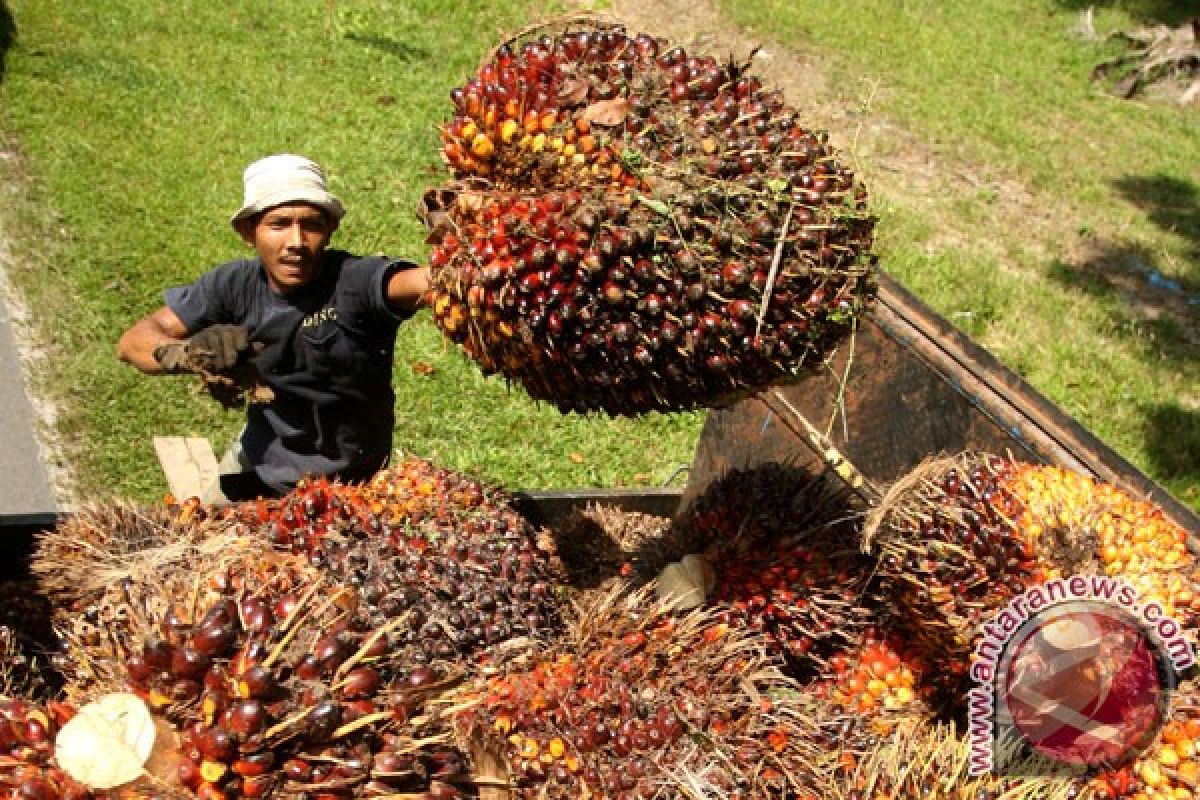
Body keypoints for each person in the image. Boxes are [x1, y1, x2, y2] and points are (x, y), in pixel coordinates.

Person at [118, 154, 430, 504]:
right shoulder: (233, 286)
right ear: (249, 232)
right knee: (195, 542)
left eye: (310, 224)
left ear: (329, 229)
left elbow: (418, 284)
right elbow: (132, 342)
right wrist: (184, 354)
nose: (296, 241)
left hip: (354, 487)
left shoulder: (355, 282)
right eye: (279, 224)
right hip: (260, 465)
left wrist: (459, 261)